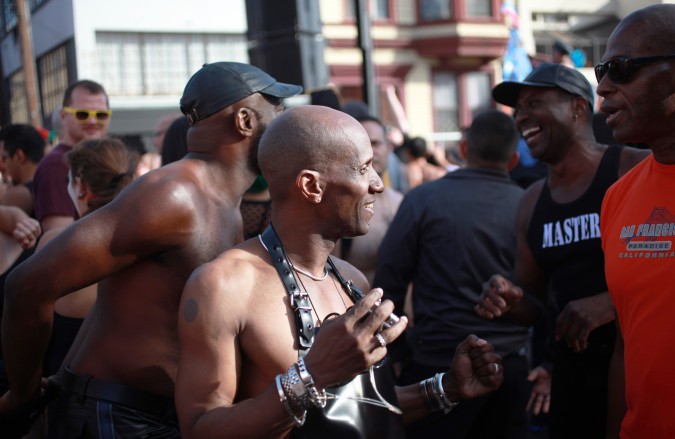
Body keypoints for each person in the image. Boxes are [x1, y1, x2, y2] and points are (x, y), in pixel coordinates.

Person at [0, 61, 302, 438]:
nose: (285, 121)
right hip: (111, 418)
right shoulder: (174, 195)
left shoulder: (221, 205)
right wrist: (23, 396)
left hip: (145, 416)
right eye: (276, 109)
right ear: (244, 121)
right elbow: (27, 286)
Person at [175, 105, 504, 439]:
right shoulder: (224, 285)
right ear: (311, 186)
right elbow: (200, 428)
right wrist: (312, 375)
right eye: (363, 168)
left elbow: (358, 409)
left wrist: (445, 389)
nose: (377, 183)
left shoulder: (351, 281)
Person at [475, 63, 649, 438]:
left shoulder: (632, 169)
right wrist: (508, 298)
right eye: (518, 109)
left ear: (577, 108)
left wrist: (609, 302)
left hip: (640, 370)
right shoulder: (531, 202)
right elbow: (534, 303)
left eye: (535, 103)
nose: (522, 116)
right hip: (570, 380)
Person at [374, 109, 529, 438]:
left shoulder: (422, 199)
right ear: (514, 159)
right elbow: (543, 293)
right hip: (508, 364)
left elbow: (389, 282)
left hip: (436, 365)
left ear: (462, 149)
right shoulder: (527, 205)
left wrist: (396, 354)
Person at [595, 4, 675, 438]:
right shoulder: (617, 198)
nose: (604, 88)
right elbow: (626, 347)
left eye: (621, 68)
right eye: (601, 71)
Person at [40, 137, 139, 377]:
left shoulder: (57, 242)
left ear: (80, 186)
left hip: (65, 389)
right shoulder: (152, 242)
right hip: (133, 392)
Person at [32, 80, 111, 233]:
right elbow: (58, 238)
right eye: (82, 114)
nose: (93, 121)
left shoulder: (103, 159)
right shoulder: (57, 164)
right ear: (63, 115)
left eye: (101, 115)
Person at [332, 115, 403, 284]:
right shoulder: (342, 207)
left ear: (389, 148)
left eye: (376, 143)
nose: (371, 151)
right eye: (364, 145)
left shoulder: (402, 202)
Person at [0, 124, 45, 215]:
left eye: (4, 158)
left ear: (19, 156)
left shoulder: (19, 194)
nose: (3, 165)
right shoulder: (46, 181)